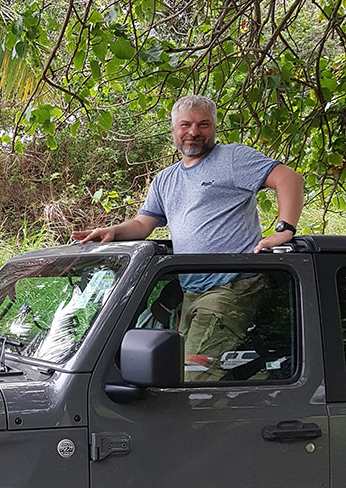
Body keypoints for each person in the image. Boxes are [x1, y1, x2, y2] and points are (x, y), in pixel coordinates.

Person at [72, 95, 304, 378]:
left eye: (203, 124)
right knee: (179, 372)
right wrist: (113, 231)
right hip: (191, 289)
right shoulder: (165, 179)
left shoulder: (232, 158)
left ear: (214, 128)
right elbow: (144, 224)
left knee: (190, 377)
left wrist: (284, 230)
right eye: (186, 125)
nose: (194, 132)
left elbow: (289, 178)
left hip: (230, 285)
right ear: (173, 130)